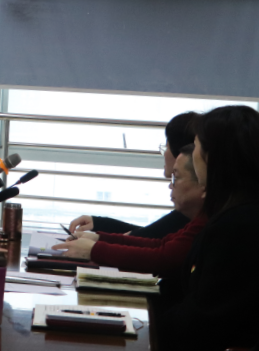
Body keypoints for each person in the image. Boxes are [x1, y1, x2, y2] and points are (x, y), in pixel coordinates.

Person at [155, 106, 259, 350]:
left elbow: (203, 319)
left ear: (212, 157)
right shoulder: (236, 214)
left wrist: (151, 323)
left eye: (196, 146)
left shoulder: (236, 226)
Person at [53, 144, 206, 276]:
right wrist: (97, 239)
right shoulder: (196, 220)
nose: (170, 185)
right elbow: (159, 243)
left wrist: (94, 249)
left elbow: (162, 257)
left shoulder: (206, 222)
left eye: (176, 177)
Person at [68, 111, 199, 238]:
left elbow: (147, 238)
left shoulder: (188, 205)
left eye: (167, 147)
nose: (164, 154)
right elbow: (152, 234)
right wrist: (97, 223)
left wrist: (94, 240)